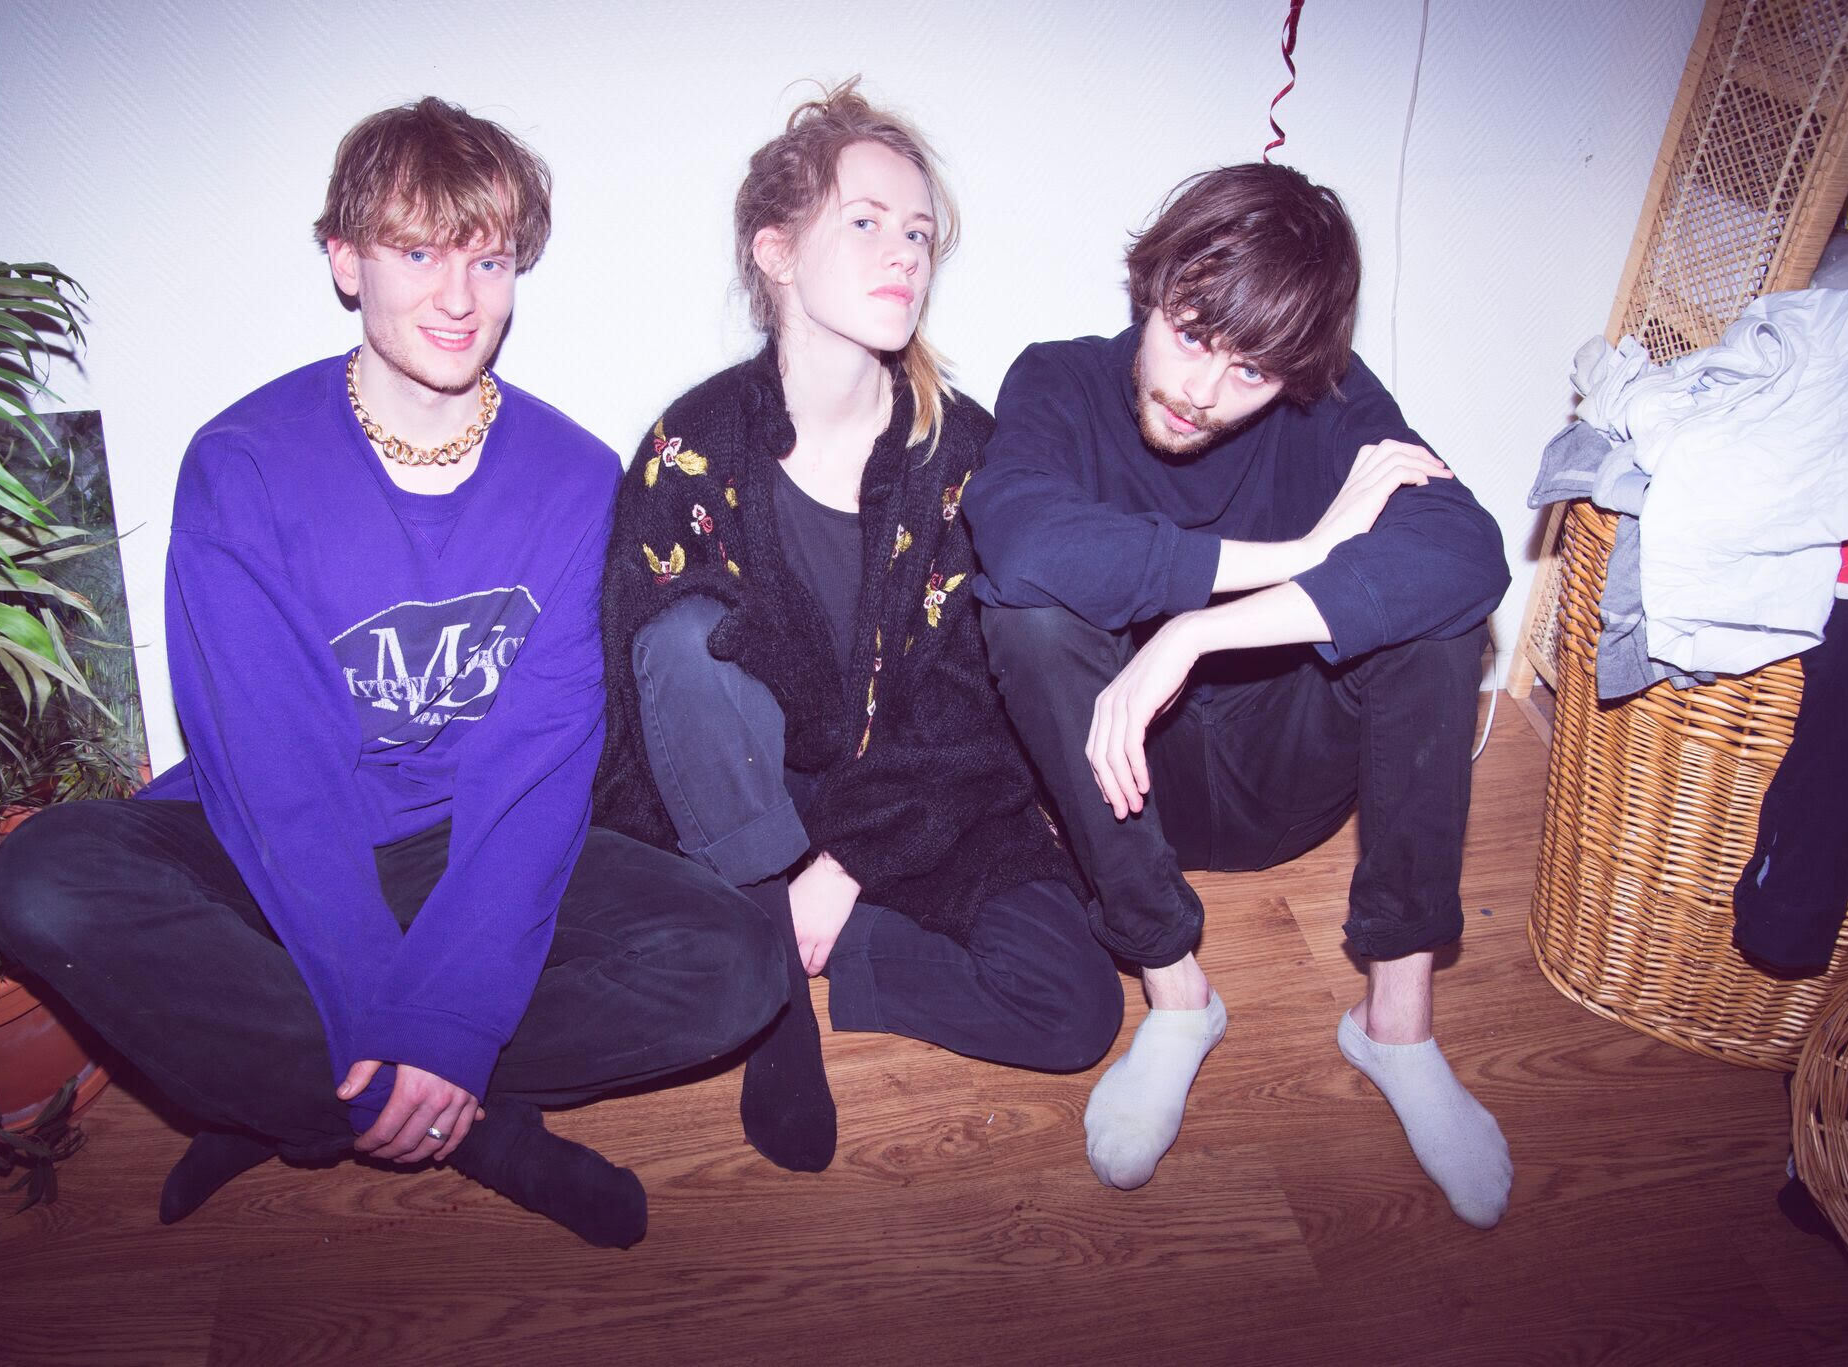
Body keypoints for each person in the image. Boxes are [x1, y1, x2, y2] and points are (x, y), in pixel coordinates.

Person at [0, 96, 784, 1249]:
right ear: (344, 260)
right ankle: (467, 1126)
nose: (458, 298)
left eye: (488, 260)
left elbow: (534, 766)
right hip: (269, 834)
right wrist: (396, 1016)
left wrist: (447, 1016)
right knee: (43, 878)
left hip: (465, 834)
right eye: (417, 254)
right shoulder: (244, 465)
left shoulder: (569, 474)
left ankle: (290, 1095)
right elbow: (275, 774)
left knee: (735, 963)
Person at [962, 162, 1515, 1227]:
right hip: (1128, 785)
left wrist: (1198, 630)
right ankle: (1177, 995)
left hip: (1286, 767)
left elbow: (1465, 550)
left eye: (1251, 367)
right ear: (1150, 286)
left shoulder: (1330, 405)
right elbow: (1021, 538)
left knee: (1435, 618)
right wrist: (1298, 556)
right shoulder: (1058, 380)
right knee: (1028, 613)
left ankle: (1395, 1024)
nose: (1202, 389)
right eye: (1189, 333)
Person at [594, 80, 1122, 1174]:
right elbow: (644, 695)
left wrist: (842, 867)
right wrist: (734, 860)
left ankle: (784, 943)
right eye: (868, 223)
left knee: (1075, 1008)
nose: (904, 256)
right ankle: (772, 994)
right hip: (751, 797)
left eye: (919, 233)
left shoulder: (965, 454)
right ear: (777, 252)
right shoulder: (692, 450)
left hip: (915, 798)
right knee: (686, 642)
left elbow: (983, 711)